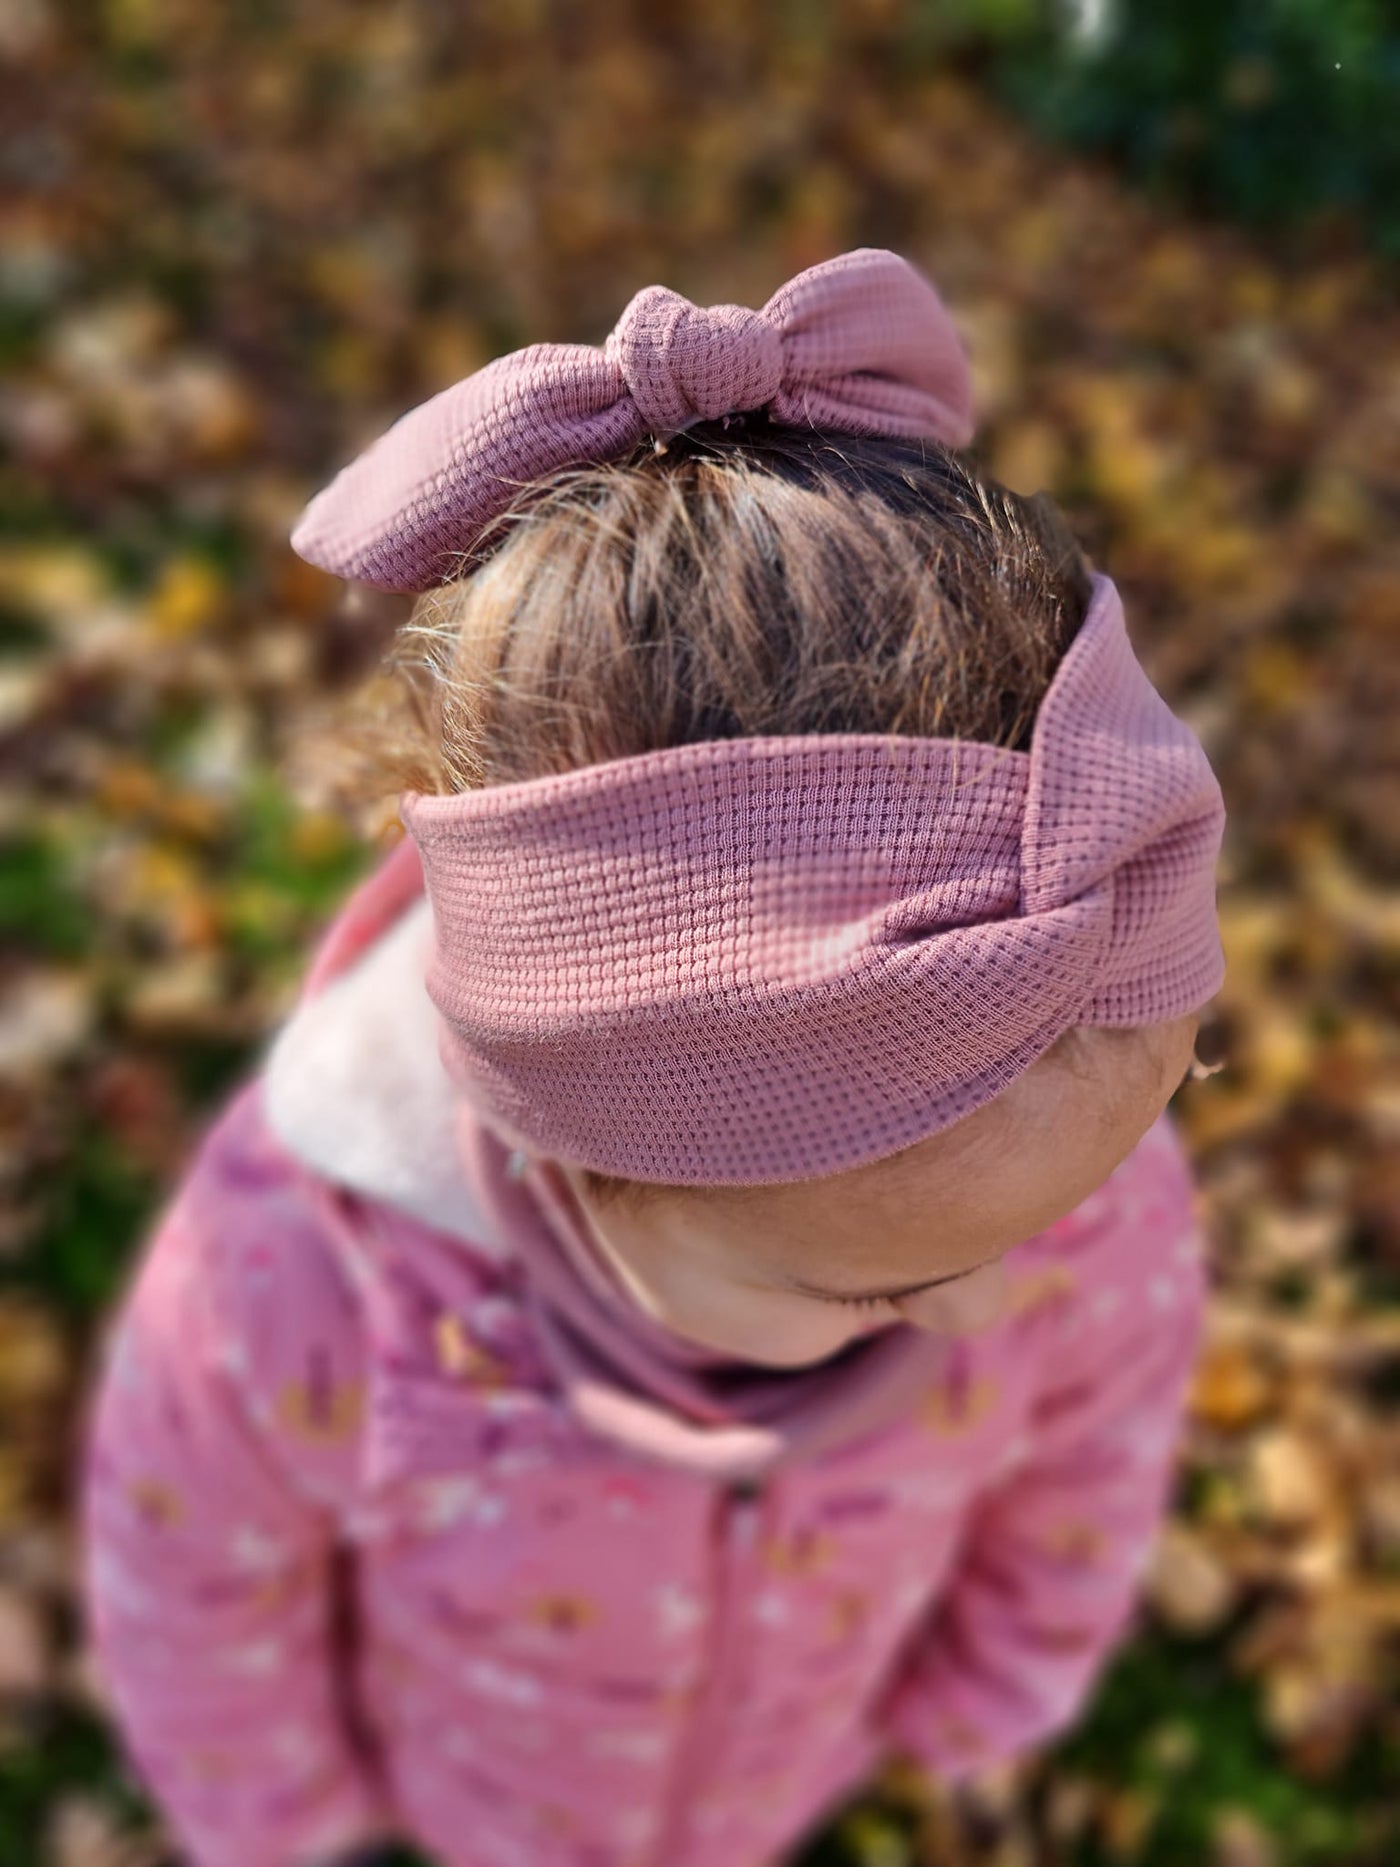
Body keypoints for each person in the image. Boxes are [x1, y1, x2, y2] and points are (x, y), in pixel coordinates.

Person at [78, 248, 1227, 1867]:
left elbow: (1094, 1449)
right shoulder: (307, 1278)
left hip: (780, 1777)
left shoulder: (1053, 1168)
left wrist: (993, 1690)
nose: (1001, 1310)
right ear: (581, 1162)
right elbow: (194, 1574)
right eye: (878, 1291)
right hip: (492, 1805)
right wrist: (281, 1826)